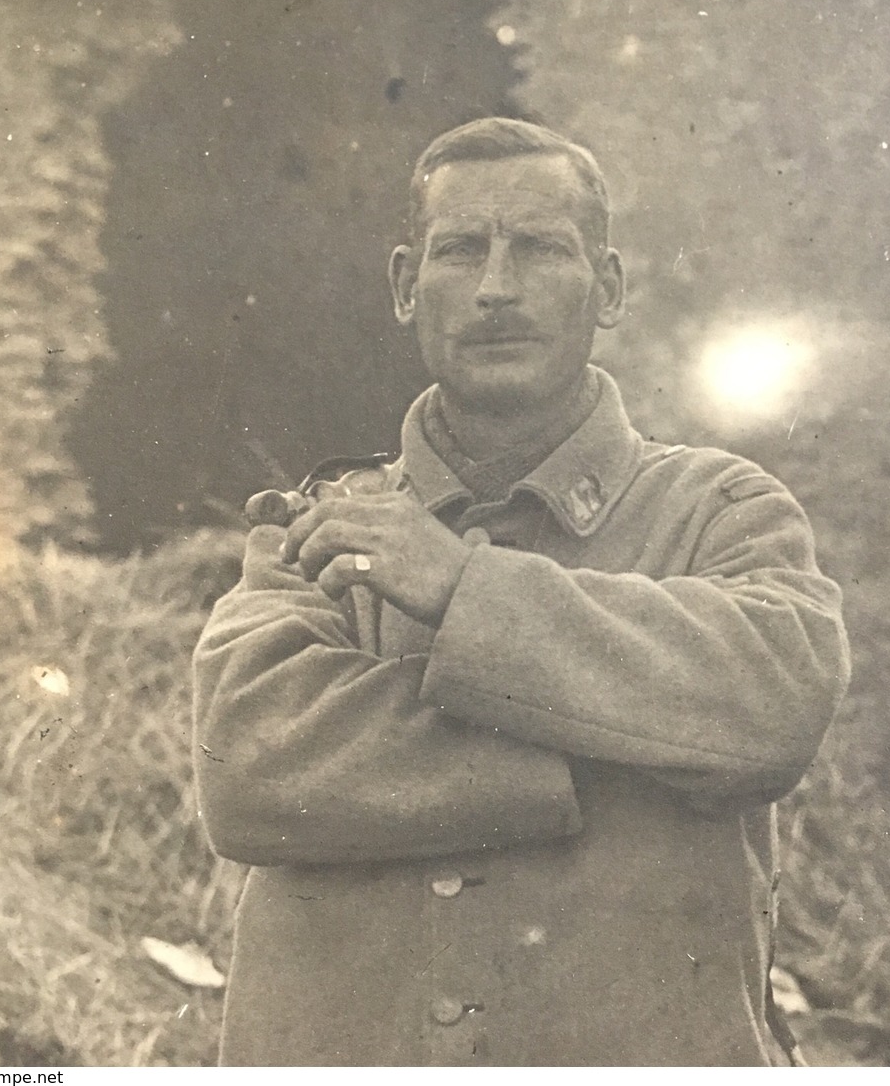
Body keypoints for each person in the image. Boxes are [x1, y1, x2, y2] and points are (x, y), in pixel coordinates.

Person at [191, 117, 851, 1066]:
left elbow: (777, 700)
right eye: (460, 251)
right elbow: (249, 768)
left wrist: (460, 584)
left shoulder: (720, 509)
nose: (497, 288)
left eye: (539, 248)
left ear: (610, 287)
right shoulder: (319, 526)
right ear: (404, 287)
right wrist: (623, 751)